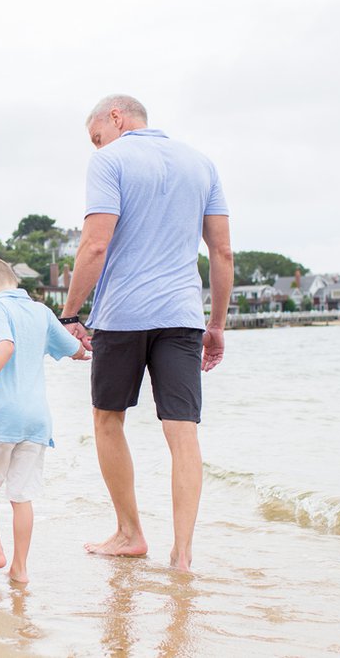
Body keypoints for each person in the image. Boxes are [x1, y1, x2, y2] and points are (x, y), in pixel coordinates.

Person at [59, 94, 234, 572]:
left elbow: (95, 245)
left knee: (107, 420)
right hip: (183, 316)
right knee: (183, 431)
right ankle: (183, 553)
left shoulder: (110, 161)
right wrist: (216, 324)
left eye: (97, 137)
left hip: (123, 315)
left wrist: (70, 315)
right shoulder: (201, 163)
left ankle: (130, 534)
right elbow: (222, 253)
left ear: (116, 118)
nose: (98, 147)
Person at [0, 256, 88, 584]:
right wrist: (89, 350)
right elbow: (76, 350)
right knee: (21, 495)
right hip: (37, 420)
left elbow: (5, 348)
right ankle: (20, 568)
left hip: (0, 415)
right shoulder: (41, 311)